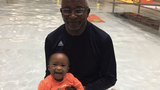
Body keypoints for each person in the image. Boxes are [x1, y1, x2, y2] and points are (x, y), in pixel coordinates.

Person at [44, 0, 117, 90]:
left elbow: (110, 78)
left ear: (88, 12)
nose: (73, 16)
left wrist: (83, 88)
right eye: (67, 10)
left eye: (79, 10)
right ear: (61, 12)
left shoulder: (102, 40)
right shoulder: (52, 39)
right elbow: (49, 74)